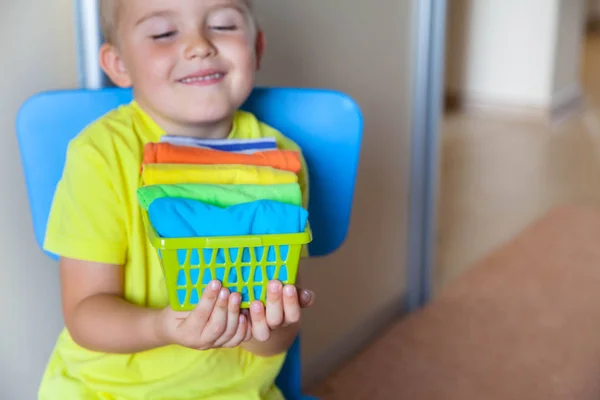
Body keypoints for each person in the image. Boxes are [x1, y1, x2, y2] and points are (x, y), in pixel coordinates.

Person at [38, 0, 315, 398]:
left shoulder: (282, 161)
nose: (198, 45)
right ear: (118, 64)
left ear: (256, 47)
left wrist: (267, 324)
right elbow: (86, 314)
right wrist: (164, 327)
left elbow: (276, 340)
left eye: (222, 25)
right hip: (105, 391)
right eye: (164, 33)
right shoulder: (99, 156)